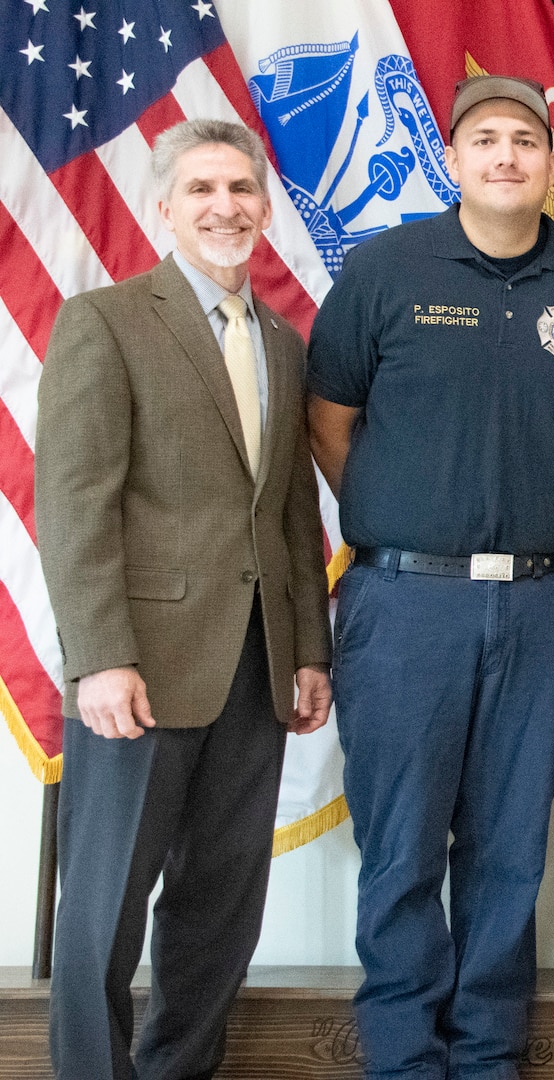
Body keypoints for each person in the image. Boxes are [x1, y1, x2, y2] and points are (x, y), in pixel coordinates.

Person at [305, 75, 554, 1077]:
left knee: (509, 854)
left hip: (545, 606)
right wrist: (415, 522)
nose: (506, 157)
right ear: (451, 160)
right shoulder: (383, 270)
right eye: (485, 139)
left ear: (551, 162)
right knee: (403, 849)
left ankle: (489, 1057)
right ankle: (405, 1060)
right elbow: (329, 424)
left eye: (525, 141)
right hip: (404, 606)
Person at [35, 118, 333, 1080]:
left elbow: (290, 512)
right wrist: (99, 658)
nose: (225, 206)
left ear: (263, 206)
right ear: (165, 208)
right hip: (142, 667)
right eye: (202, 189)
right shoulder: (108, 321)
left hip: (255, 669)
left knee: (220, 901)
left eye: (241, 189)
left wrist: (309, 653)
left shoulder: (284, 343)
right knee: (105, 906)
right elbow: (77, 505)